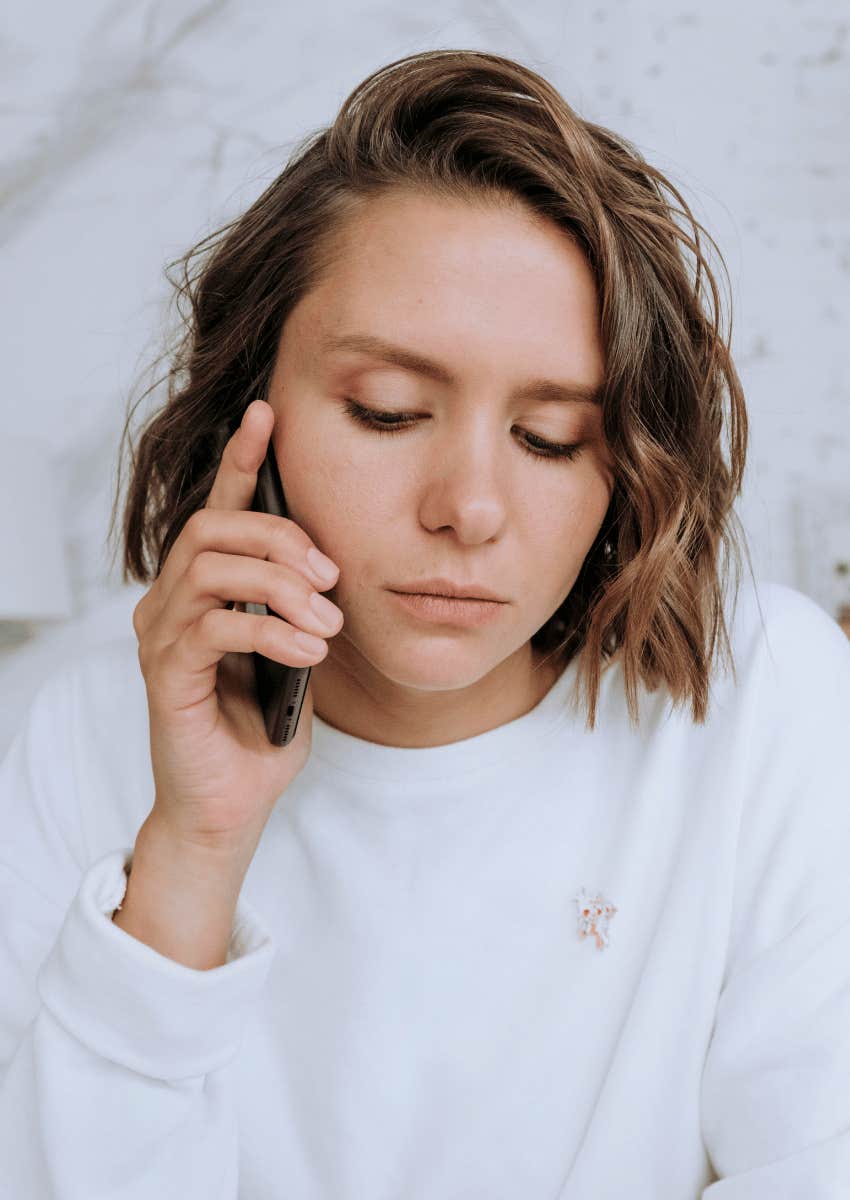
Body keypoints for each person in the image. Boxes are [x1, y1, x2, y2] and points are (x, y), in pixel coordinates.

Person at [1, 47, 848, 1199]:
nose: (470, 509)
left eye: (550, 435)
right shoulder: (89, 730)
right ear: (252, 411)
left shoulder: (769, 700)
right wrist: (193, 853)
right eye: (387, 413)